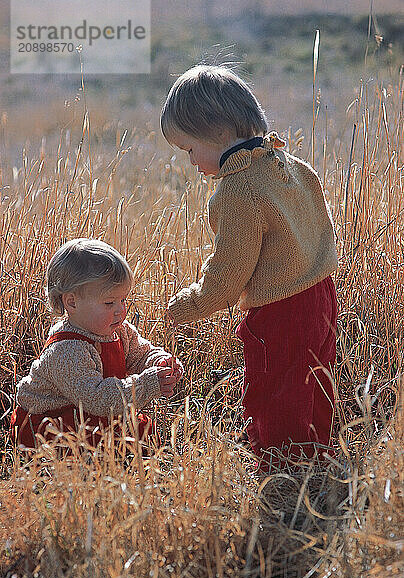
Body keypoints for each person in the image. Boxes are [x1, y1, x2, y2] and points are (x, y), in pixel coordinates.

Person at [161, 65, 338, 469]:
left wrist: (188, 305)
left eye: (190, 149)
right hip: (321, 294)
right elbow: (320, 223)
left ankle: (281, 465)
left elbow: (229, 272)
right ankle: (318, 453)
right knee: (316, 378)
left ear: (217, 134)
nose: (190, 161)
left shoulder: (237, 190)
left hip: (281, 310)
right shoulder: (288, 164)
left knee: (275, 386)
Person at [11, 238, 183, 450]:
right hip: (52, 423)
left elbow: (139, 353)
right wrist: (145, 385)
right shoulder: (67, 350)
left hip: (92, 413)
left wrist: (158, 361)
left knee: (141, 433)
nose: (120, 310)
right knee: (102, 442)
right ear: (72, 302)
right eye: (109, 303)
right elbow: (98, 398)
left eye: (123, 300)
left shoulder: (117, 329)